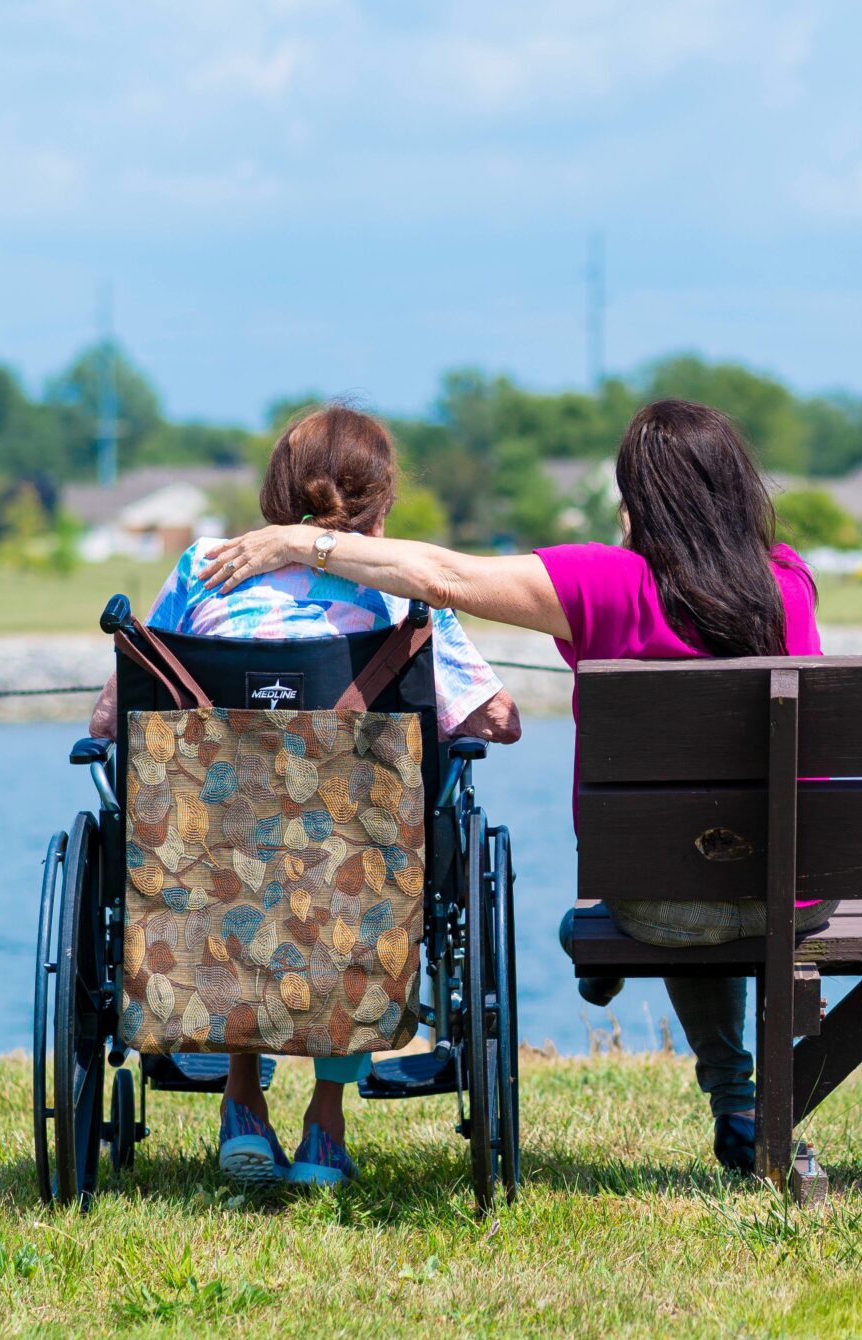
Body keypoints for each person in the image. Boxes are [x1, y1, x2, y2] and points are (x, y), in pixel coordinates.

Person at [203, 398, 824, 1176]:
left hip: (658, 900)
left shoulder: (607, 583)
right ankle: (738, 1106)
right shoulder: (790, 585)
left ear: (642, 500)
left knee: (668, 892)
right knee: (726, 871)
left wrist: (299, 539)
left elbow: (442, 574)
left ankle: (716, 1074)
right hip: (789, 890)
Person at [88, 403, 521, 1193]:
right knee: (350, 863)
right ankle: (326, 1122)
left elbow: (110, 720)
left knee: (244, 857)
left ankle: (242, 1103)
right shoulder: (399, 596)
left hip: (206, 859)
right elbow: (499, 721)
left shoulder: (199, 569)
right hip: (354, 875)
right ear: (379, 502)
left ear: (276, 487)